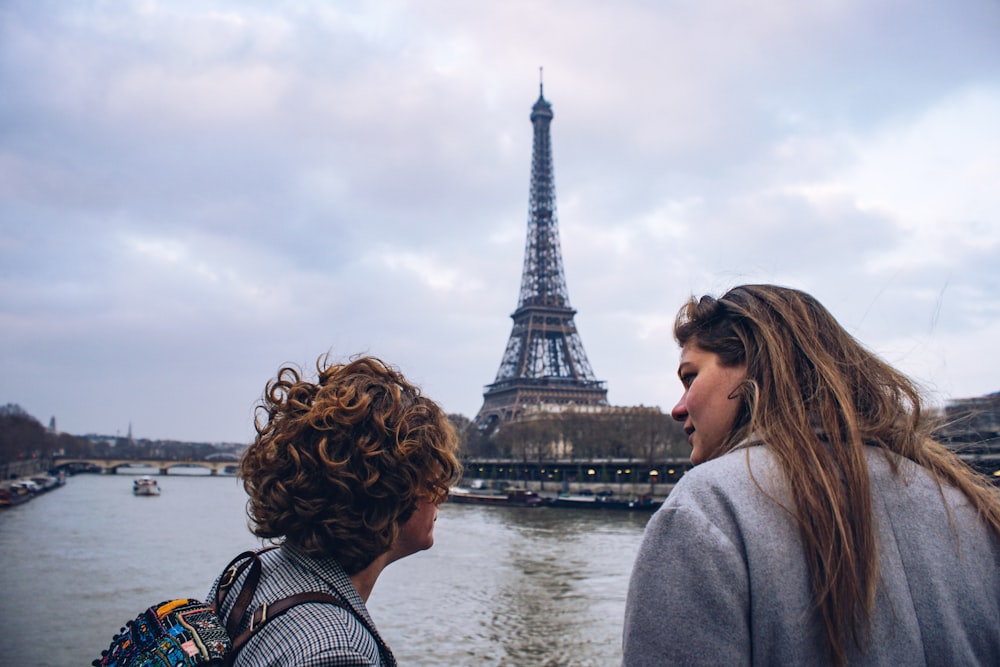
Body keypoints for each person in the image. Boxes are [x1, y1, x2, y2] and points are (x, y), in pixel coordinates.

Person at [622, 284, 1000, 666]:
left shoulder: (706, 508)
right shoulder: (964, 505)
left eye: (690, 378)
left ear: (754, 365)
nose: (678, 408)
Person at [210, 355, 461, 666]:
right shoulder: (336, 653)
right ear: (390, 494)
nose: (441, 496)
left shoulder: (250, 572)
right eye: (434, 480)